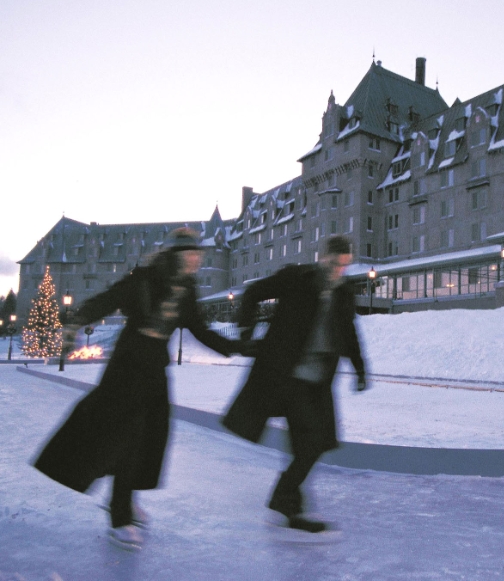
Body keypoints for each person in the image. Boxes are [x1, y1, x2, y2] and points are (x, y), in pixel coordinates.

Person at [33, 228, 239, 550]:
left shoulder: (187, 288)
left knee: (150, 437)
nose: (197, 260)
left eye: (198, 255)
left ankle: (125, 498)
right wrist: (76, 319)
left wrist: (235, 346)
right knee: (126, 437)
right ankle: (120, 513)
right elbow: (109, 299)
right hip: (128, 367)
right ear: (175, 256)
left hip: (155, 367)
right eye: (190, 255)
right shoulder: (144, 278)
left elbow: (198, 328)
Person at [222, 235, 368, 534]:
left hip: (319, 380)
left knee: (317, 443)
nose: (337, 271)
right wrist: (247, 330)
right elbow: (253, 293)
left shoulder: (344, 292)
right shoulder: (296, 278)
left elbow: (349, 332)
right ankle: (285, 500)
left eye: (343, 266)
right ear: (321, 257)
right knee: (310, 441)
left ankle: (289, 498)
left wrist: (360, 368)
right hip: (288, 377)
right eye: (333, 263)